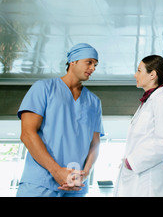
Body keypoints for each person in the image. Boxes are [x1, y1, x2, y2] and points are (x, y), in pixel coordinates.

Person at [16, 43, 104, 197]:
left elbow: (95, 143)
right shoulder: (43, 88)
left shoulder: (94, 101)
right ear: (73, 61)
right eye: (89, 62)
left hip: (75, 186)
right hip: (40, 183)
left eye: (95, 65)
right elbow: (27, 134)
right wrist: (56, 171)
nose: (93, 68)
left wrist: (86, 173)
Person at [115, 55, 163, 197]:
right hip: (138, 176)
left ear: (152, 74)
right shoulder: (149, 102)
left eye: (139, 71)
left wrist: (132, 162)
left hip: (148, 178)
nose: (135, 75)